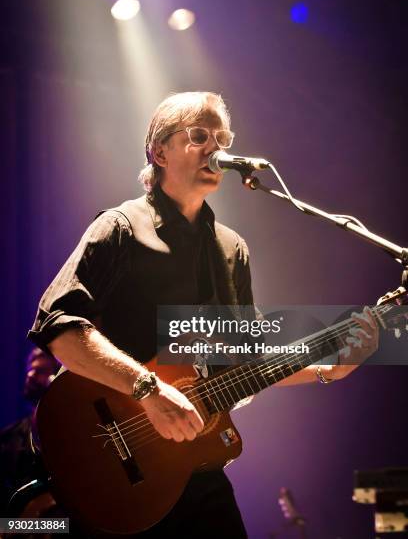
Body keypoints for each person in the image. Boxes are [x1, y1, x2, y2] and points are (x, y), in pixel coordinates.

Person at [28, 91, 378, 537]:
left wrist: (331, 367)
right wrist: (149, 390)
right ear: (158, 151)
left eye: (223, 136)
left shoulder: (231, 248)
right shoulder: (119, 227)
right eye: (199, 135)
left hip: (196, 466)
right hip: (115, 466)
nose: (217, 147)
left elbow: (244, 363)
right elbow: (59, 329)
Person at [0, 347, 60, 516]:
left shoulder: (65, 431)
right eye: (30, 370)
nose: (30, 375)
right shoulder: (8, 436)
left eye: (40, 371)